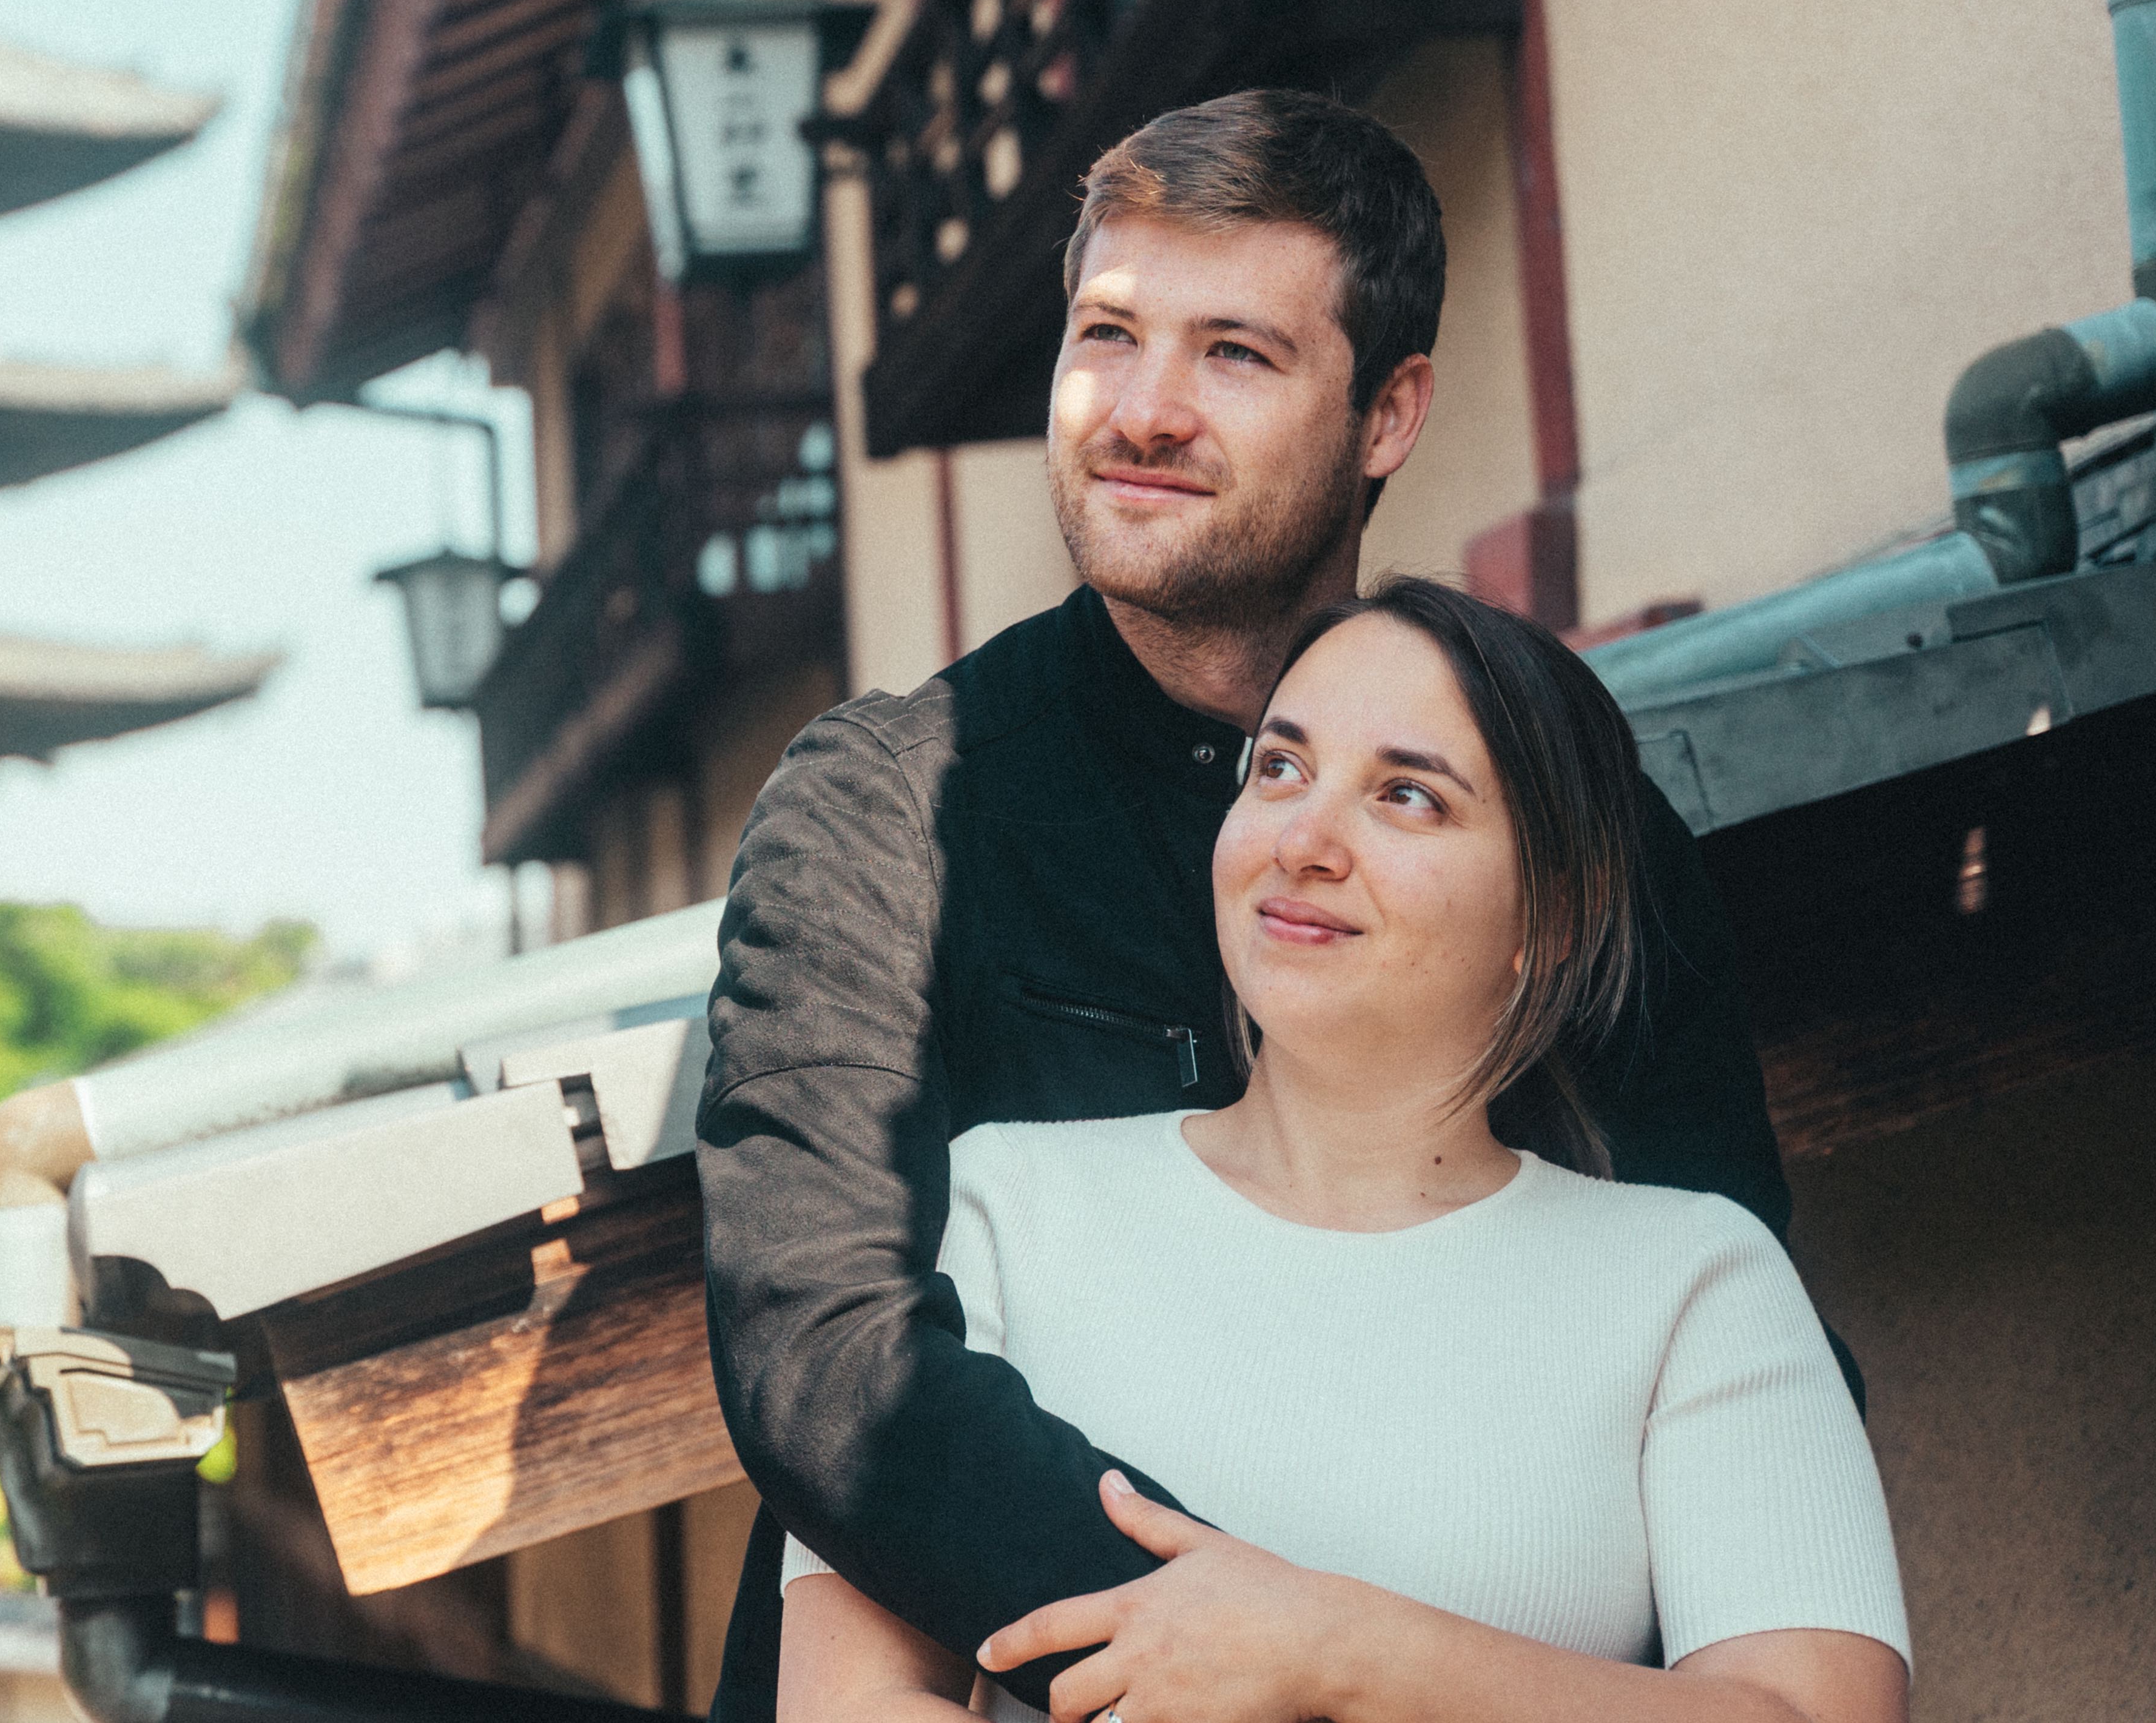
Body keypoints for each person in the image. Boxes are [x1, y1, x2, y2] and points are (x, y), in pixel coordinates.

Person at [698, 90, 1808, 1718]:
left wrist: (1385, 1665)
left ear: (1385, 413)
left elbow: (1709, 1325)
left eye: (1232, 353)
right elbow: (827, 1360)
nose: (1140, 409)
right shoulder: (883, 809)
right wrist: (1238, 1649)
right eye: (1105, 335)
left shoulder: (1572, 837)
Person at [778, 577, 1908, 1721]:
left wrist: (1345, 1647)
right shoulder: (1001, 1207)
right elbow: (846, 1706)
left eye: (1407, 796)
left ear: (1552, 921)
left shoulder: (1692, 1281)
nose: (1305, 839)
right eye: (1279, 767)